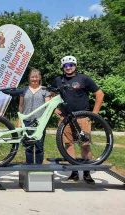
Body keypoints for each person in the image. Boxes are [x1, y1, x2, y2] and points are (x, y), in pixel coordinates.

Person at [52, 55, 104, 184]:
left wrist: (94, 114)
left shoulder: (84, 78)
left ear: (75, 66)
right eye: (66, 65)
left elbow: (99, 94)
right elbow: (49, 95)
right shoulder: (58, 80)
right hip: (65, 119)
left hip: (82, 117)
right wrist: (54, 109)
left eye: (71, 65)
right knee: (68, 144)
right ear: (62, 67)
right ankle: (74, 172)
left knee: (84, 145)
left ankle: (87, 173)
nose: (68, 68)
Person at [18, 68, 50, 164]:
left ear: (40, 78)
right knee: (29, 146)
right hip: (27, 121)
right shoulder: (24, 90)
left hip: (40, 122)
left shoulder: (45, 90)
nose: (34, 79)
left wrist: (45, 120)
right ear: (29, 78)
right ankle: (29, 167)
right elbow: (21, 106)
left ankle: (38, 168)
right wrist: (19, 121)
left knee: (39, 146)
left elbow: (48, 107)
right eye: (32, 77)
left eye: (36, 77)